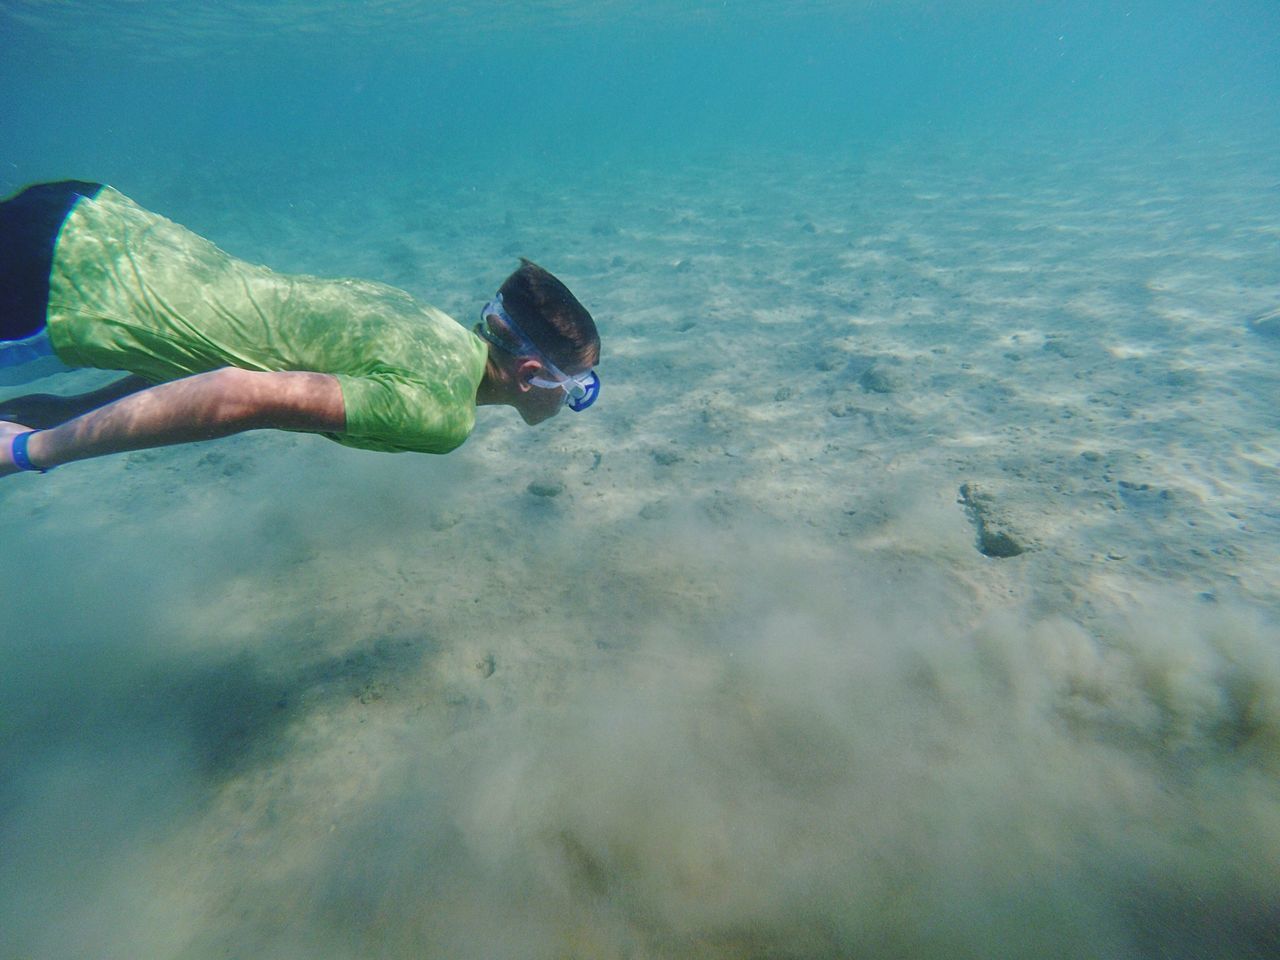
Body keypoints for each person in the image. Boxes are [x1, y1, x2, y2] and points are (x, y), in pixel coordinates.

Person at [0, 180, 600, 477]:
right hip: (56, 294)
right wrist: (34, 449)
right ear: (531, 375)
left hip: (95, 216)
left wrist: (70, 409)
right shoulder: (441, 413)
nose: (573, 401)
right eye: (579, 390)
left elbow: (243, 340)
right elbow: (237, 394)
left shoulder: (427, 321)